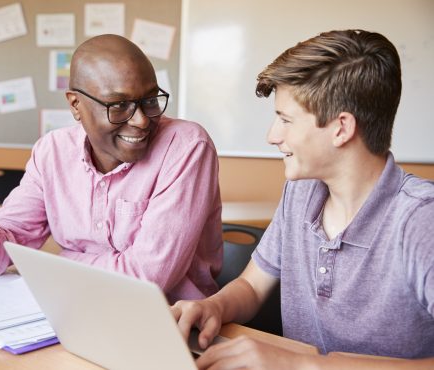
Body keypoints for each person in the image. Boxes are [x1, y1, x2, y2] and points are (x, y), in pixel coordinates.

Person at [172, 29, 434, 369]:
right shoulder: (301, 191)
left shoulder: (420, 219)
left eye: (285, 120)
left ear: (341, 128)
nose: (272, 136)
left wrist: (301, 365)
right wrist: (214, 307)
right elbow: (252, 286)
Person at [0, 34, 223, 304]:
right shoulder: (52, 152)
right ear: (75, 105)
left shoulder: (186, 145)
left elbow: (147, 280)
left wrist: (51, 262)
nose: (140, 120)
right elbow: (2, 254)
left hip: (171, 324)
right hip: (72, 309)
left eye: (150, 100)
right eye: (119, 105)